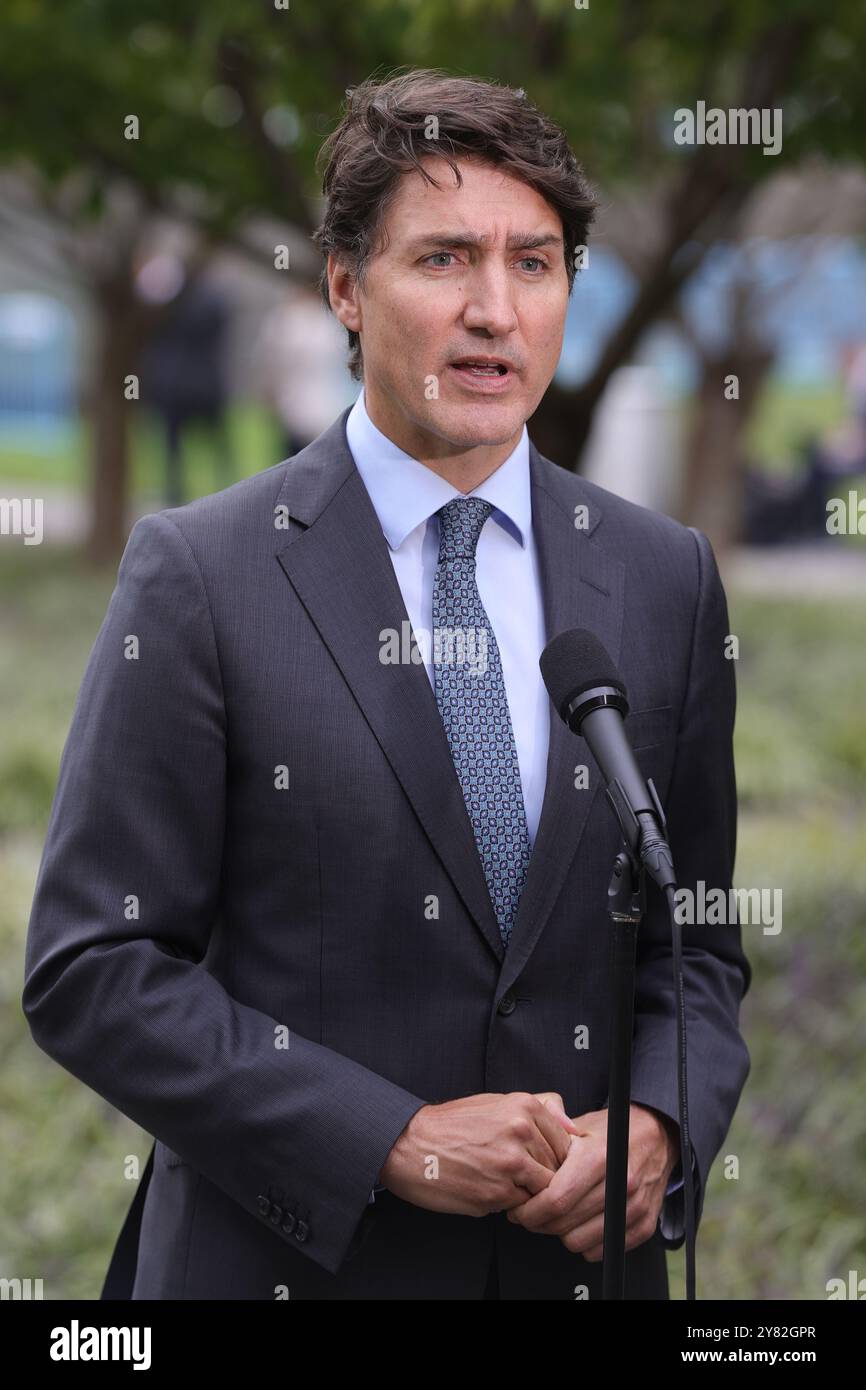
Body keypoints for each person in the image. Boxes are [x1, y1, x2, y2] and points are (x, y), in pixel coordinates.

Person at [22, 68, 751, 1301]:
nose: (492, 310)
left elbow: (697, 953)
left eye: (533, 262)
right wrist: (387, 1138)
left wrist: (659, 1130)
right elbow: (95, 969)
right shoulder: (200, 576)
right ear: (346, 288)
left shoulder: (662, 576)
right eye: (443, 260)